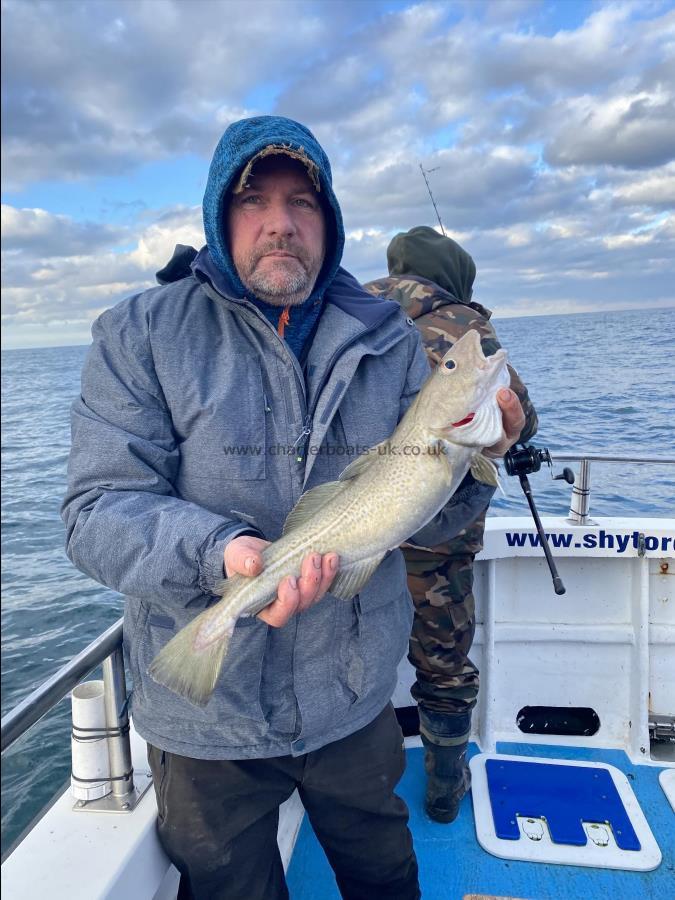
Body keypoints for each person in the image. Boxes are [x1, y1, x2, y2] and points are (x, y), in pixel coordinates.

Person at [61, 118, 525, 900]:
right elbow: (96, 510)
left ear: (330, 219)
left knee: (384, 874)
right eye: (255, 200)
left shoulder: (392, 342)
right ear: (219, 213)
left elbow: (429, 520)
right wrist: (223, 554)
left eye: (303, 202)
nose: (281, 222)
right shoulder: (138, 334)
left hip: (350, 698)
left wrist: (481, 461)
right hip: (208, 726)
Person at [364, 225, 538, 823]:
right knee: (442, 660)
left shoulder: (350, 313)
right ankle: (442, 792)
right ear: (454, 274)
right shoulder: (463, 326)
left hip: (363, 517)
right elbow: (521, 416)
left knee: (355, 648)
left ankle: (362, 790)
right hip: (440, 534)